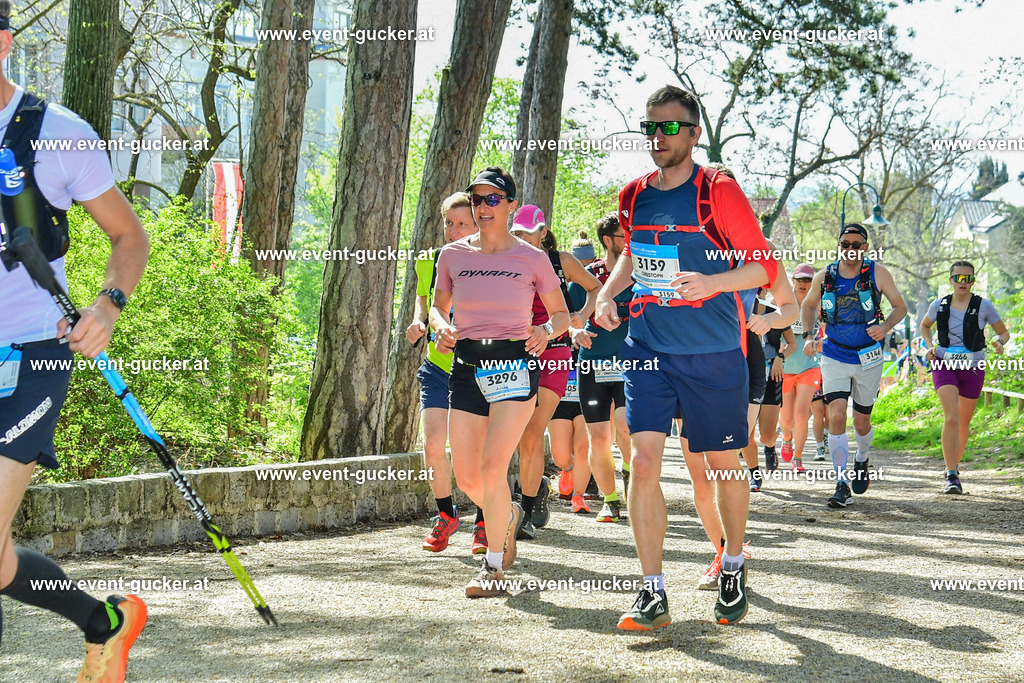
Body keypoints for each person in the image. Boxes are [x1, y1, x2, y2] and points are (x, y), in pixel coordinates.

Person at [0, 7, 151, 679]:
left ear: (3, 43)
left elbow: (129, 236)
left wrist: (107, 305)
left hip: (30, 358)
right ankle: (102, 620)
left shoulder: (57, 133)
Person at [595, 85, 777, 628]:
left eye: (670, 127)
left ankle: (733, 564)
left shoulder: (716, 190)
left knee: (723, 465)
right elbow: (634, 249)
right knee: (643, 464)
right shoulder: (633, 195)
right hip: (647, 349)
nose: (657, 136)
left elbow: (762, 268)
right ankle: (652, 592)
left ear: (694, 134)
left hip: (713, 350)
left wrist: (710, 284)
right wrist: (607, 294)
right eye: (650, 126)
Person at [430, 167, 570, 597]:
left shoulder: (533, 258)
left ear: (511, 205)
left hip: (514, 365)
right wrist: (441, 326)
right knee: (469, 476)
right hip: (468, 365)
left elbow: (562, 315)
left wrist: (547, 332)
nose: (483, 207)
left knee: (494, 466)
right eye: (477, 199)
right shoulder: (452, 255)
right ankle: (507, 512)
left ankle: (492, 569)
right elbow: (437, 308)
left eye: (493, 199)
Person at [509, 206, 601, 539]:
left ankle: (527, 510)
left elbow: (596, 288)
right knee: (521, 436)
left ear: (543, 232)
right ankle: (535, 490)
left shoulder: (562, 260)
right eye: (516, 232)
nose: (521, 239)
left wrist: (581, 315)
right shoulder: (506, 260)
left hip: (556, 351)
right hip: (515, 353)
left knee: (533, 430)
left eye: (527, 232)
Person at [799, 224, 907, 508]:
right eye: (845, 243)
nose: (851, 249)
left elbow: (900, 306)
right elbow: (809, 305)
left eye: (857, 244)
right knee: (835, 416)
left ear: (865, 247)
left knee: (861, 422)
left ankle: (862, 458)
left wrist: (884, 327)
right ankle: (841, 482)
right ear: (839, 245)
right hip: (834, 354)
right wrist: (809, 335)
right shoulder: (825, 276)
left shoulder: (877, 273)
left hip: (869, 357)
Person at [406, 192, 479, 553]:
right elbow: (425, 301)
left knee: (477, 452)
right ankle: (446, 514)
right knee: (433, 445)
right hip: (437, 366)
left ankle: (485, 519)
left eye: (461, 223)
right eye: (448, 223)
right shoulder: (428, 260)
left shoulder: (492, 263)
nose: (453, 231)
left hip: (479, 369)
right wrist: (419, 322)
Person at [920, 261, 1009, 494]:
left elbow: (1004, 332)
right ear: (950, 280)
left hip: (973, 365)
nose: (963, 282)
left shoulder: (984, 306)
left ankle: (954, 466)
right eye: (958, 278)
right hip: (943, 362)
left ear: (973, 281)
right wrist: (929, 347)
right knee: (952, 417)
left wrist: (999, 342)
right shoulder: (938, 305)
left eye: (968, 278)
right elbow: (925, 326)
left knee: (963, 422)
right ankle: (951, 475)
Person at [569, 213, 633, 523]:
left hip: (630, 364)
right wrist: (575, 332)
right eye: (623, 236)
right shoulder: (586, 277)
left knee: (626, 426)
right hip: (592, 365)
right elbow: (566, 318)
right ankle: (610, 501)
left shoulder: (639, 274)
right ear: (608, 241)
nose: (628, 241)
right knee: (599, 437)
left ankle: (630, 474)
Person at [779, 264, 828, 468]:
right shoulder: (782, 302)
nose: (804, 284)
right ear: (793, 280)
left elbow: (828, 333)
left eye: (808, 280)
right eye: (800, 279)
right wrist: (776, 345)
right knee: (787, 418)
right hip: (785, 367)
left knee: (801, 414)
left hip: (810, 366)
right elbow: (767, 329)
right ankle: (787, 439)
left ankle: (798, 458)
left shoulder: (819, 306)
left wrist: (821, 343)